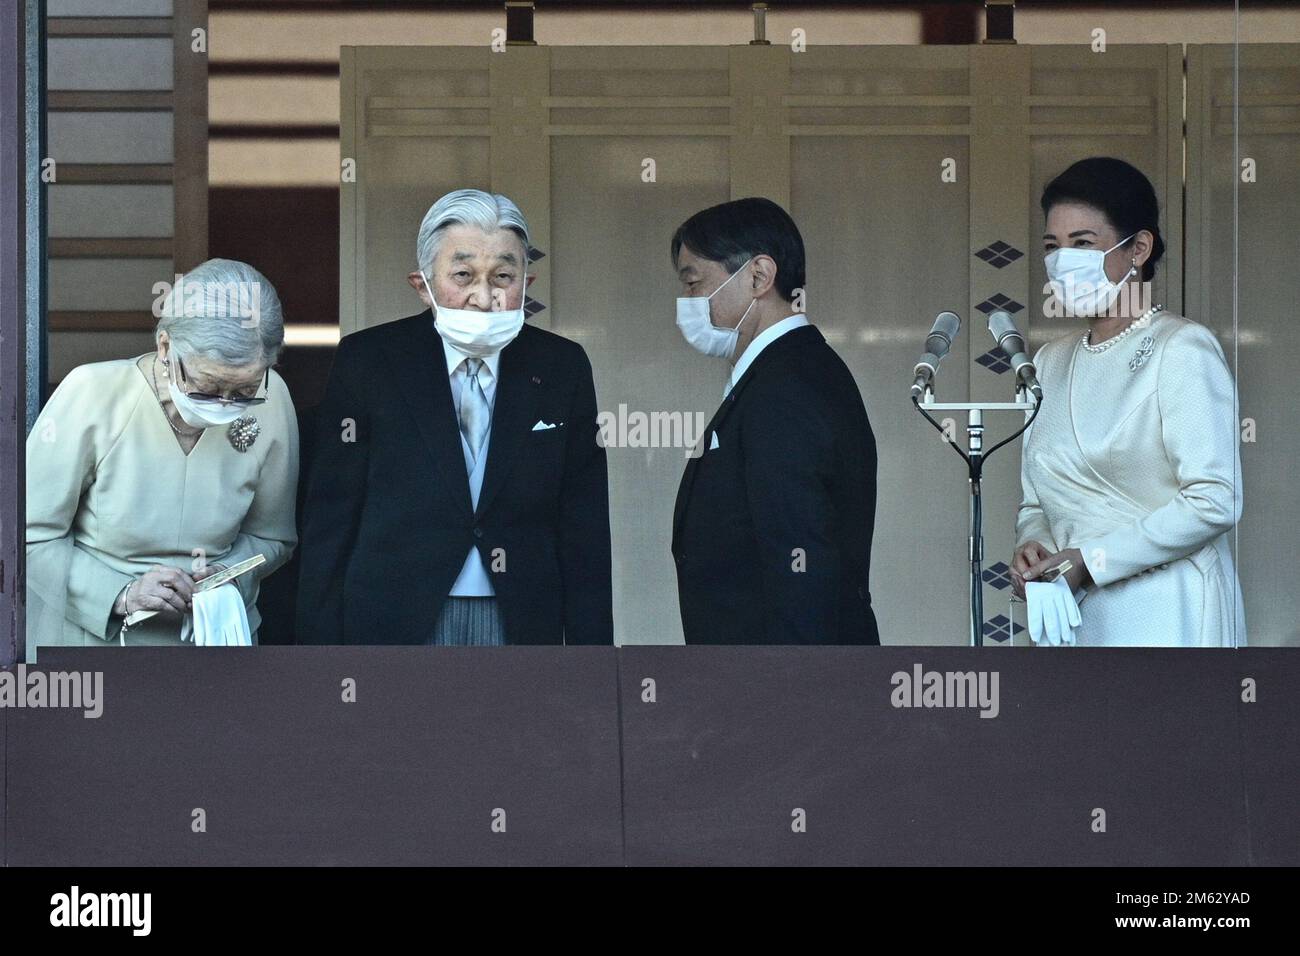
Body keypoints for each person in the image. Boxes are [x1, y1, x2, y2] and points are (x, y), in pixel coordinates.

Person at [296, 189, 612, 645]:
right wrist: (318, 651)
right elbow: (332, 514)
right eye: (462, 275)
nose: (484, 298)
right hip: (395, 615)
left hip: (521, 615)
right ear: (422, 284)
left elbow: (584, 522)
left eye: (504, 276)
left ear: (528, 281)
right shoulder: (370, 360)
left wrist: (592, 658)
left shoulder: (561, 365)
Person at [1011, 156, 1245, 646]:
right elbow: (1038, 497)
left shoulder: (1181, 348)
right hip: (1070, 614)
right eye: (1052, 246)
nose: (1061, 261)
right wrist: (1032, 545)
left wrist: (1092, 561)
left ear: (1139, 248)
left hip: (1167, 612)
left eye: (1083, 244)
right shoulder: (1049, 363)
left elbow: (1214, 501)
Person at [25, 258, 299, 659]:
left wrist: (229, 576)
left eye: (243, 390)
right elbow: (29, 534)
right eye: (207, 385)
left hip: (216, 641)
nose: (225, 402)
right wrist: (121, 594)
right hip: (93, 642)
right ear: (166, 346)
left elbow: (274, 537)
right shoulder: (93, 392)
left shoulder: (273, 401)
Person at [670, 197, 880, 645]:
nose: (687, 301)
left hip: (782, 683)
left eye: (694, 283)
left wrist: (792, 692)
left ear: (759, 277)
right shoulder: (784, 371)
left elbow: (800, 555)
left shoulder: (787, 385)